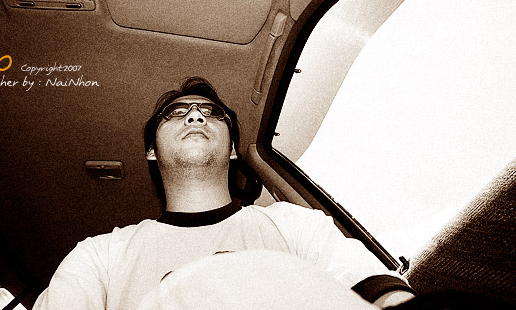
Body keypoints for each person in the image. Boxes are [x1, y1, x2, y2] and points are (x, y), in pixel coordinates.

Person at [33, 77, 416, 310]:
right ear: (151, 151)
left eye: (212, 112)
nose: (196, 116)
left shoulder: (294, 224)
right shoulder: (100, 256)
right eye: (176, 113)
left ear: (232, 148)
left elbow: (371, 286)